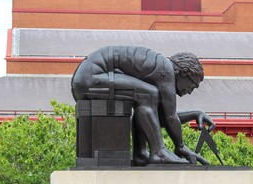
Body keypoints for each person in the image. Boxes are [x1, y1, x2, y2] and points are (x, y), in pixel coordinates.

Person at [71, 46, 215, 165]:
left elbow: (159, 119)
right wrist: (180, 147)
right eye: (193, 85)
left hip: (88, 80)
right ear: (184, 73)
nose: (190, 91)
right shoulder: (166, 70)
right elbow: (170, 117)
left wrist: (195, 114)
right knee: (148, 94)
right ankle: (158, 152)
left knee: (146, 97)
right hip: (90, 79)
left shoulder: (160, 68)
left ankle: (141, 154)